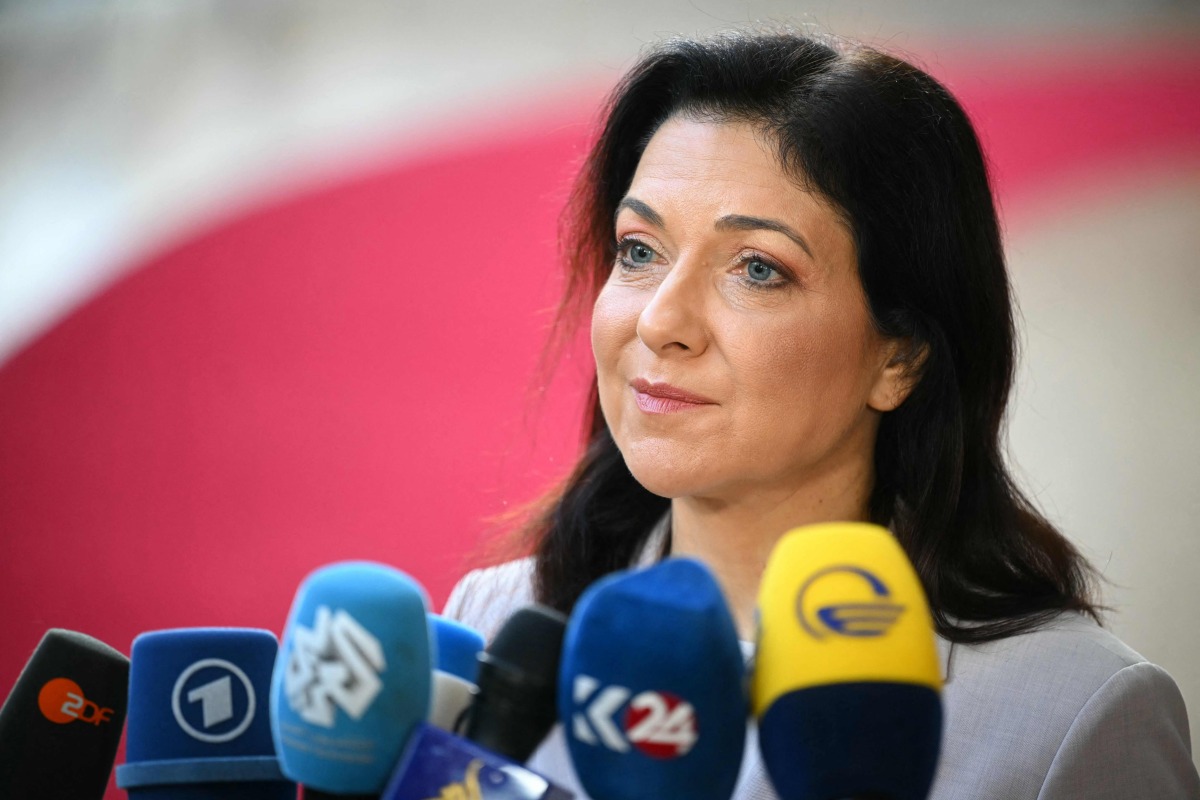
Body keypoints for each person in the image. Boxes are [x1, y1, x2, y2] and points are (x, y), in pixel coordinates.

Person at [444, 29, 1200, 799]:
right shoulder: (499, 625)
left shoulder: (1068, 715)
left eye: (758, 269)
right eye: (639, 250)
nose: (660, 320)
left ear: (900, 357)